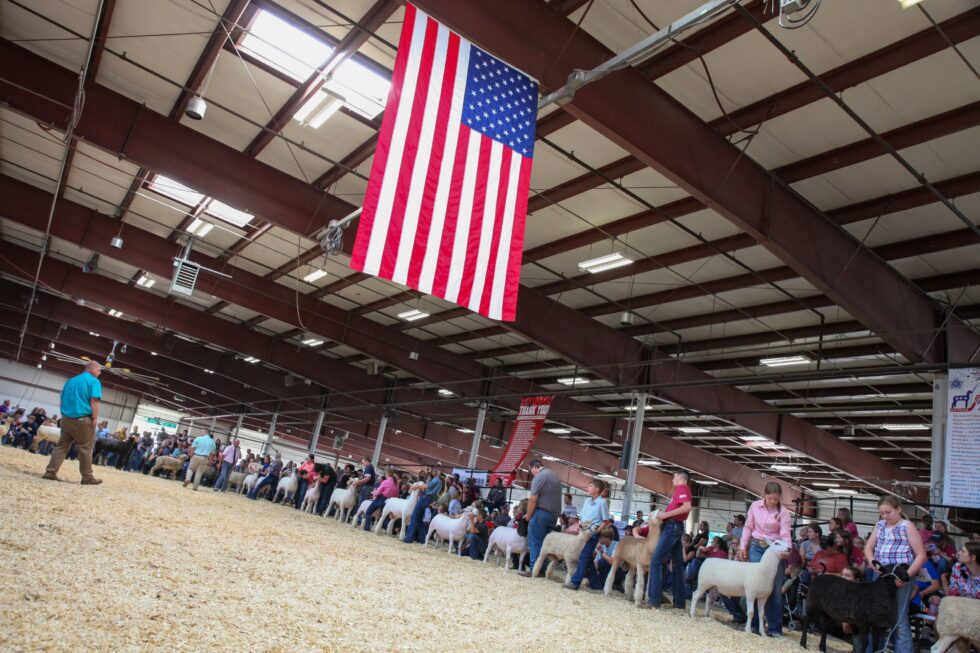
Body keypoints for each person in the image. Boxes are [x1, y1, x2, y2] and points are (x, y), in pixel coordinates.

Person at [722, 481, 791, 636]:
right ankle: (752, 625)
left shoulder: (784, 512)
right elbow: (748, 526)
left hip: (775, 550)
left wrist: (787, 548)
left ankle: (774, 629)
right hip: (756, 547)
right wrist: (743, 546)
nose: (774, 501)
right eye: (771, 498)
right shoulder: (754, 506)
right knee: (753, 586)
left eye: (777, 499)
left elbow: (785, 532)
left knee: (774, 589)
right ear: (764, 495)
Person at [863, 494, 927, 653]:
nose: (885, 516)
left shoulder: (907, 526)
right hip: (881, 574)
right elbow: (868, 547)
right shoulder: (879, 525)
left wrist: (905, 577)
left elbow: (921, 555)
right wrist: (872, 562)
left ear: (898, 509)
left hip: (900, 573)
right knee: (878, 614)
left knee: (899, 619)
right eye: (882, 513)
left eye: (888, 512)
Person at [43, 361, 103, 485]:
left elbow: (62, 399)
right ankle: (87, 476)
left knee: (61, 445)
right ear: (92, 370)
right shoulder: (94, 381)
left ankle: (50, 472)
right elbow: (94, 401)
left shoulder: (71, 380)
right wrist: (95, 418)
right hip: (82, 419)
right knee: (86, 447)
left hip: (66, 418)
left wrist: (64, 414)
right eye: (98, 370)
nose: (99, 373)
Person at [644, 470, 693, 610]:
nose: (672, 480)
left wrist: (665, 515)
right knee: (677, 565)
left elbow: (687, 506)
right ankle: (679, 603)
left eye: (674, 477)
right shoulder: (680, 490)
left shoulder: (682, 488)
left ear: (680, 478)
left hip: (672, 526)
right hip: (674, 526)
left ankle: (654, 600)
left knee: (656, 560)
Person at [564, 479, 611, 591]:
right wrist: (580, 524)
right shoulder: (586, 501)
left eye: (590, 486)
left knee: (584, 557)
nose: (588, 488)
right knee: (588, 558)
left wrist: (596, 531)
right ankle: (596, 585)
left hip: (592, 533)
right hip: (582, 531)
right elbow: (582, 516)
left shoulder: (602, 502)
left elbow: (605, 521)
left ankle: (575, 583)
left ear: (597, 489)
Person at [518, 459, 562, 578]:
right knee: (544, 544)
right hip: (554, 516)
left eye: (530, 470)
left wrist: (528, 515)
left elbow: (533, 499)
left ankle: (535, 570)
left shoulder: (539, 477)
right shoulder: (554, 476)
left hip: (541, 513)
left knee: (535, 542)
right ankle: (542, 570)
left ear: (533, 467)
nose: (531, 472)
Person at [404, 471, 442, 544]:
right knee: (419, 519)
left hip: (425, 498)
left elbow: (428, 486)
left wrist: (416, 486)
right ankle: (423, 539)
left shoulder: (436, 479)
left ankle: (409, 538)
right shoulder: (439, 481)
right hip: (428, 498)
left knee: (414, 516)